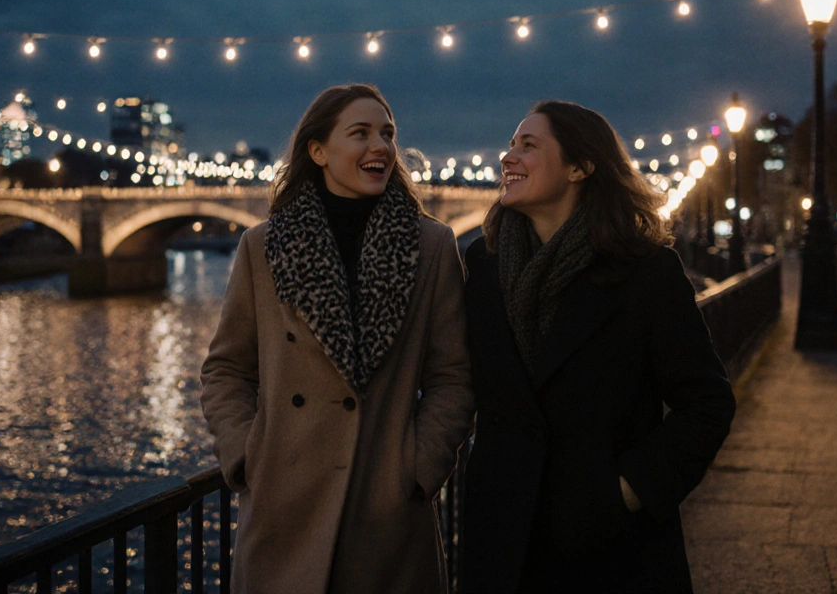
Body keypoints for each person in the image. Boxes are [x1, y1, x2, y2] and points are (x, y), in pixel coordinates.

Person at [199, 83, 474, 594]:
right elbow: (226, 370)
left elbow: (452, 377)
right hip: (284, 509)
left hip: (385, 514)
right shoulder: (263, 246)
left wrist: (418, 468)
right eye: (361, 133)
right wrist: (246, 455)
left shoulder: (432, 245)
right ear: (318, 151)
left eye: (388, 134)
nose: (381, 147)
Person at [459, 100, 736, 593]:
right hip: (504, 541)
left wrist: (629, 491)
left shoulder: (646, 273)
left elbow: (707, 404)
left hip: (611, 547)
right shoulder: (482, 265)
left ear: (580, 167)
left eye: (528, 145)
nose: (508, 157)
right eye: (510, 144)